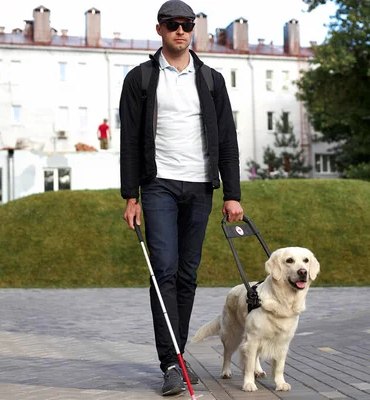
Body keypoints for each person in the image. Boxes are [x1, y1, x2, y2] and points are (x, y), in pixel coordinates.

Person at [119, 0, 243, 396]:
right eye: (173, 24)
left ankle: (178, 350)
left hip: (200, 186)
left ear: (193, 30)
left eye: (187, 24)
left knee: (187, 274)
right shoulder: (140, 79)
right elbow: (129, 142)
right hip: (158, 186)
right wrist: (130, 195)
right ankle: (171, 363)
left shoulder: (211, 80)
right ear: (159, 29)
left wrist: (232, 194)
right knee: (164, 270)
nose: (181, 30)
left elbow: (228, 141)